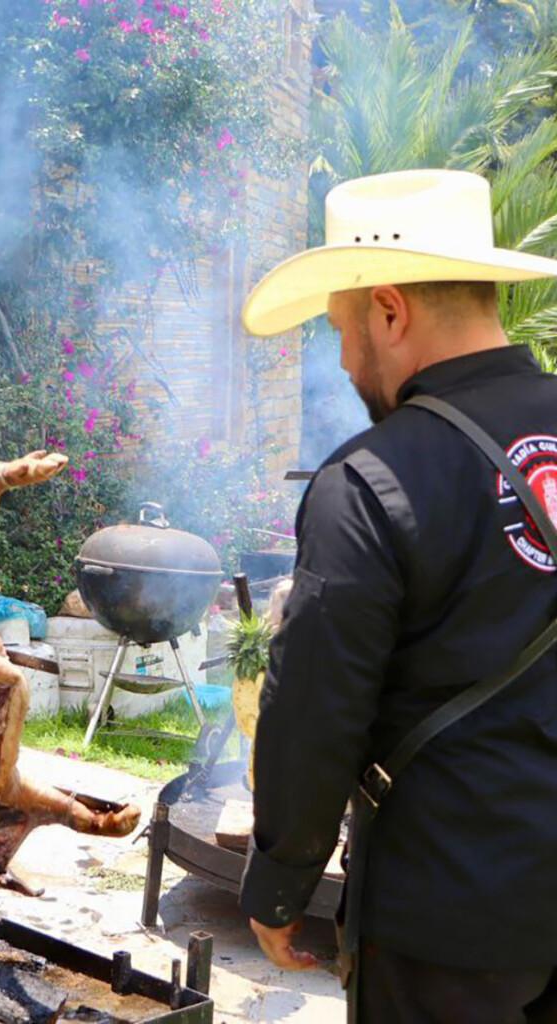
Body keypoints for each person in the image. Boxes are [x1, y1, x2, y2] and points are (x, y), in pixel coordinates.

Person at [237, 168, 557, 1022]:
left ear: (389, 310)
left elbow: (314, 707)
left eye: (343, 330)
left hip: (445, 921)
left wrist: (278, 884)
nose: (343, 360)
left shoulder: (370, 480)